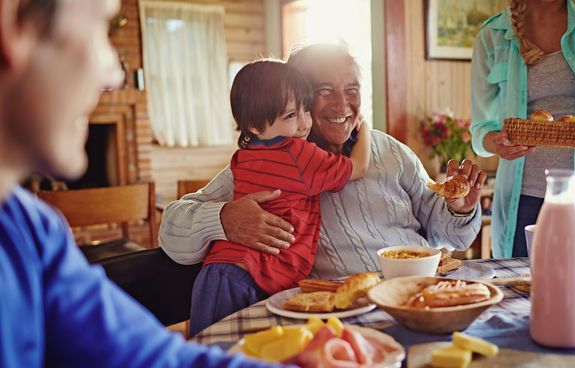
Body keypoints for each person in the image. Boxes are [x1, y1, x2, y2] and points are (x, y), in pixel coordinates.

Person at [0, 0, 283, 366]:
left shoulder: (32, 231)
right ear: (13, 23)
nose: (113, 76)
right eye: (100, 27)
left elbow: (154, 357)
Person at [160, 43, 486, 326]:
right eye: (325, 91)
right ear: (295, 98)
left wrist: (460, 207)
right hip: (345, 316)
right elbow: (171, 229)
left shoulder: (393, 153)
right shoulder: (268, 164)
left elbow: (451, 236)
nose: (342, 105)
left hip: (418, 298)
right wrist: (224, 220)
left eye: (352, 89)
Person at [191, 59, 370, 335]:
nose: (303, 125)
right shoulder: (297, 154)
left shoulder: (245, 155)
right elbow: (358, 167)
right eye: (290, 116)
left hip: (228, 273)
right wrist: (365, 129)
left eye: (305, 110)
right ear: (253, 124)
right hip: (241, 277)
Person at [470, 0, 575, 259]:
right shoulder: (491, 36)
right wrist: (494, 142)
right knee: (522, 294)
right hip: (522, 201)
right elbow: (479, 130)